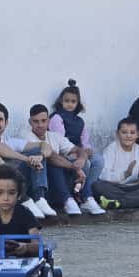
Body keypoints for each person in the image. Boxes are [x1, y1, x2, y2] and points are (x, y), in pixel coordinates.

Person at [0, 102, 54, 219]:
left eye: (0, 119)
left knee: (36, 152)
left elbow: (44, 145)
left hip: (16, 180)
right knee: (2, 160)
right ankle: (24, 200)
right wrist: (27, 159)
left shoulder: (11, 141)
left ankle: (39, 199)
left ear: (6, 123)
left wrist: (40, 157)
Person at [26, 104, 94, 215]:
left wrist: (81, 159)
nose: (40, 125)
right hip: (40, 187)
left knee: (84, 162)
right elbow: (52, 157)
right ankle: (65, 199)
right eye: (36, 121)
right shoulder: (26, 136)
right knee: (53, 162)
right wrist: (75, 168)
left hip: (58, 185)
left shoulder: (54, 136)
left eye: (43, 121)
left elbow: (78, 149)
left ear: (48, 121)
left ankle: (85, 198)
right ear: (30, 122)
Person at [49, 80, 105, 214]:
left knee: (98, 160)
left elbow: (84, 139)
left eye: (73, 101)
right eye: (66, 100)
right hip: (65, 151)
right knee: (84, 163)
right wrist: (79, 153)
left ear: (77, 103)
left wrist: (87, 149)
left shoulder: (80, 121)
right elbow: (60, 141)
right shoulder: (57, 117)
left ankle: (87, 193)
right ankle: (80, 195)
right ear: (61, 101)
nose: (69, 104)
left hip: (78, 151)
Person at [93, 118, 139, 210]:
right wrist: (124, 175)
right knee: (97, 186)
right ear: (117, 134)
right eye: (124, 132)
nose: (128, 136)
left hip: (136, 188)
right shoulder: (111, 149)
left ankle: (118, 203)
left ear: (137, 135)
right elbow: (103, 175)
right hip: (116, 187)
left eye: (132, 133)